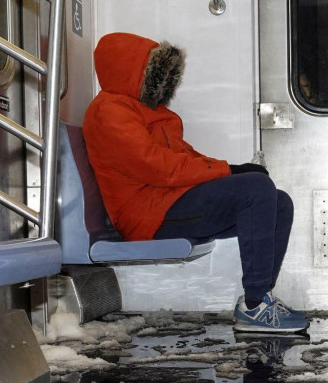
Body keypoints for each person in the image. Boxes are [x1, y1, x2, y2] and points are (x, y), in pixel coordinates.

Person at [81, 32, 308, 333]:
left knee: (279, 202)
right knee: (256, 189)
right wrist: (228, 171)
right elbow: (156, 166)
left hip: (168, 201)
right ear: (130, 70)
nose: (161, 83)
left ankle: (261, 297)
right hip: (148, 214)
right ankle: (255, 306)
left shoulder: (148, 112)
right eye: (153, 73)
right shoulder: (109, 111)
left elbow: (183, 156)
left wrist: (231, 169)